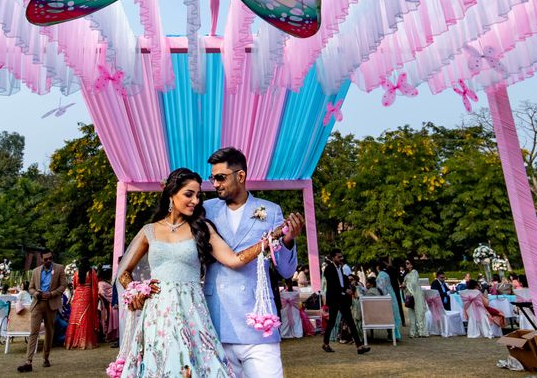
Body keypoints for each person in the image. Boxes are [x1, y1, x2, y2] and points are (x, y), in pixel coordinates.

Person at [111, 168, 289, 378]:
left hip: (192, 312)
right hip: (157, 315)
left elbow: (235, 259)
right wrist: (136, 292)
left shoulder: (201, 228)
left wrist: (271, 238)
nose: (195, 201)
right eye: (189, 194)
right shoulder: (149, 231)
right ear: (171, 194)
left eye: (198, 195)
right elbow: (124, 273)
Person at [202, 147, 304, 378]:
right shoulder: (205, 210)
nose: (215, 184)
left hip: (258, 324)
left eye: (220, 177)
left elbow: (286, 271)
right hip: (216, 320)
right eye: (212, 178)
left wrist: (288, 240)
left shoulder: (271, 210)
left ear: (240, 176)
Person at [17, 250, 67, 373]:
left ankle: (46, 358)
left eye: (50, 258)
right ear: (41, 259)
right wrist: (36, 294)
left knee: (49, 332)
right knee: (33, 332)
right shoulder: (35, 271)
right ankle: (28, 362)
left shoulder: (59, 268)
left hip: (51, 304)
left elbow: (63, 285)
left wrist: (51, 294)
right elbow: (31, 288)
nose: (49, 260)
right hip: (38, 304)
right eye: (46, 259)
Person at [322, 249, 371, 354]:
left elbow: (342, 281)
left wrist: (349, 286)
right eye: (338, 257)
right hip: (334, 299)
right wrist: (344, 289)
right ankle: (326, 343)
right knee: (332, 322)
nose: (341, 258)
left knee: (350, 321)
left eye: (341, 256)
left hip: (342, 299)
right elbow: (333, 284)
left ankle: (359, 346)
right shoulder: (328, 269)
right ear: (333, 257)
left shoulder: (340, 268)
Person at [65, 258, 99, 349]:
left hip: (78, 295)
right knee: (86, 317)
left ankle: (72, 342)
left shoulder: (77, 272)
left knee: (75, 316)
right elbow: (95, 286)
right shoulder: (92, 272)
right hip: (87, 294)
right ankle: (84, 342)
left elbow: (75, 284)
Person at [384, 257, 405, 325]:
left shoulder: (385, 271)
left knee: (391, 305)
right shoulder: (394, 269)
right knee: (399, 305)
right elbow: (400, 278)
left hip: (390, 289)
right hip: (395, 288)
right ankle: (402, 321)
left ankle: (393, 320)